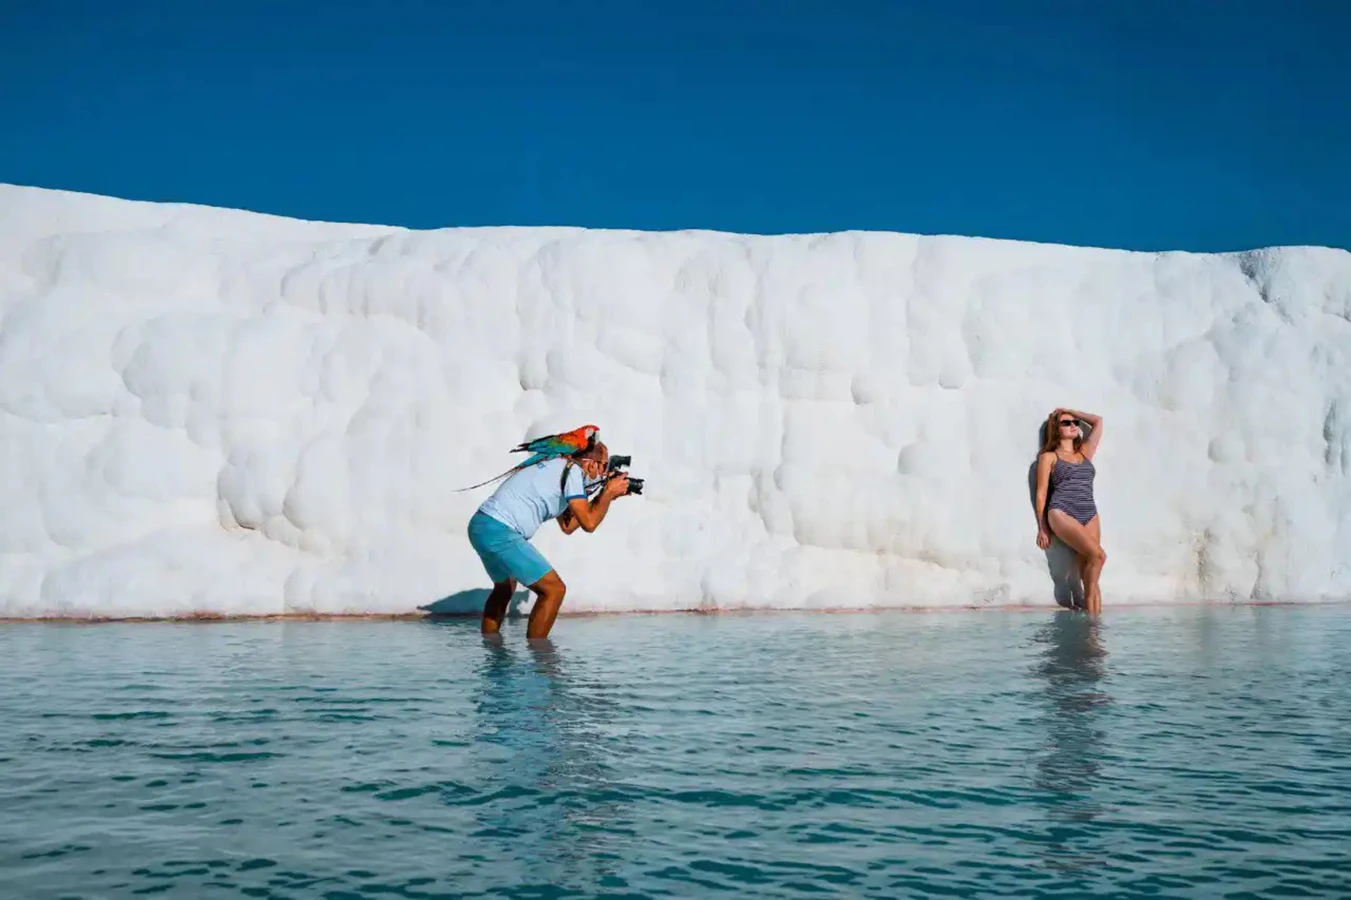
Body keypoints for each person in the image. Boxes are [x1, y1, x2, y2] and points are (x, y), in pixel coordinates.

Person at [467, 438, 630, 639]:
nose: (605, 473)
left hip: (481, 525)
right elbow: (589, 524)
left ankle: (490, 649)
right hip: (502, 530)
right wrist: (607, 493)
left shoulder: (560, 468)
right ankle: (539, 660)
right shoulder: (573, 472)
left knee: (504, 587)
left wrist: (605, 496)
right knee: (554, 590)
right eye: (604, 466)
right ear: (590, 463)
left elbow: (568, 526)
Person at [1034, 408, 1106, 614]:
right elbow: (1041, 493)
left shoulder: (1084, 452)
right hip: (1061, 510)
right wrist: (1042, 527)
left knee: (1091, 570)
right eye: (1066, 423)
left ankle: (1093, 631)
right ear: (1056, 429)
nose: (1073, 425)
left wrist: (1069, 411)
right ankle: (1092, 624)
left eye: (1075, 422)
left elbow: (1098, 421)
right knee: (1099, 556)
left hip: (1089, 511)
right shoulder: (1049, 457)